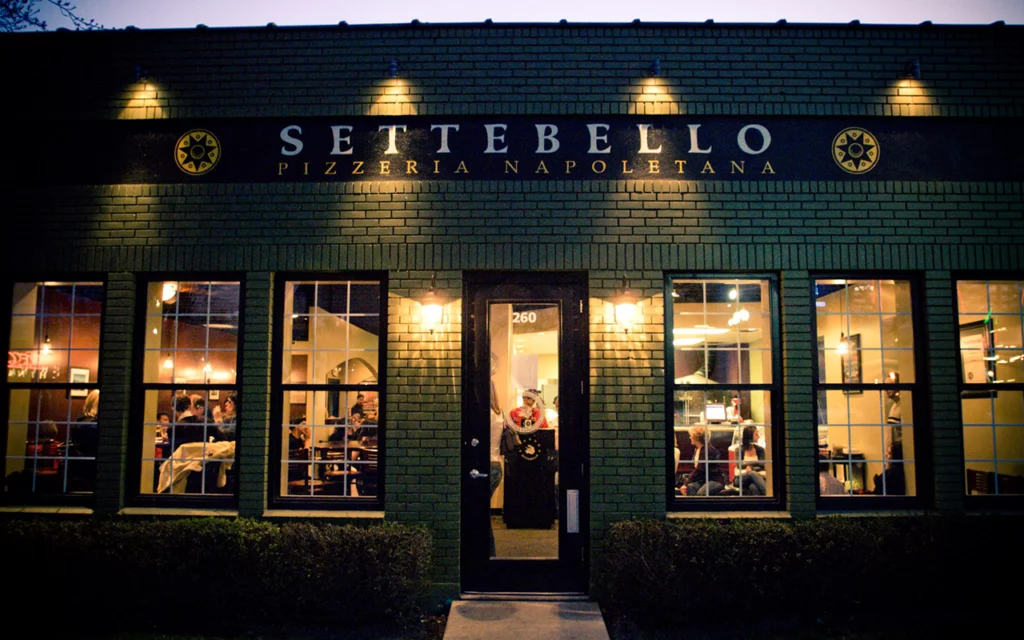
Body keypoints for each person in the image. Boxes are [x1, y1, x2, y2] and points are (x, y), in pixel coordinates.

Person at [679, 425, 725, 496]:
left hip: (715, 480)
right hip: (704, 480)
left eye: (691, 435)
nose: (690, 437)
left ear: (696, 437)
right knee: (691, 487)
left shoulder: (708, 450)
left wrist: (686, 483)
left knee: (701, 493)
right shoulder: (697, 449)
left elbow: (700, 469)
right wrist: (687, 484)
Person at [732, 424, 766, 495]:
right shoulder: (739, 450)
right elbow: (739, 465)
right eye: (756, 435)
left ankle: (758, 505)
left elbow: (762, 465)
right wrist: (755, 466)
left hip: (758, 477)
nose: (758, 437)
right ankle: (768, 493)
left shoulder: (760, 450)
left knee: (753, 487)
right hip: (741, 478)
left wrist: (751, 467)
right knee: (752, 473)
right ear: (750, 436)